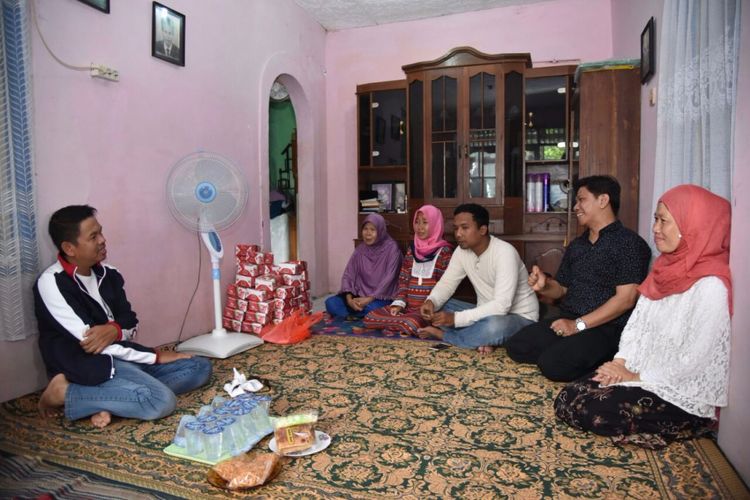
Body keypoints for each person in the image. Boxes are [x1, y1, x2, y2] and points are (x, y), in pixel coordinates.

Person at [554, 185, 731, 448]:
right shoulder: (663, 270)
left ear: (694, 226)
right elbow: (637, 328)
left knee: (595, 411)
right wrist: (620, 364)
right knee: (568, 398)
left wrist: (633, 377)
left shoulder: (711, 285)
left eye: (664, 221)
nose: (656, 229)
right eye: (655, 220)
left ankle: (686, 427)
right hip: (638, 371)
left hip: (677, 389)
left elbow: (695, 358)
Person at [34, 205, 212, 428]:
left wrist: (114, 330)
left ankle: (110, 399)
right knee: (160, 401)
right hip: (87, 364)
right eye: (93, 236)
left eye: (101, 232)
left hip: (121, 356)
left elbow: (131, 324)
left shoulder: (110, 274)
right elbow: (92, 345)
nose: (102, 240)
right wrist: (155, 356)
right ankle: (62, 392)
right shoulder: (52, 283)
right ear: (69, 248)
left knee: (199, 367)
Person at [505, 175, 651, 381]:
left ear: (603, 200)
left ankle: (604, 359)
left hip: (606, 327)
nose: (575, 207)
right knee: (517, 345)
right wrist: (545, 286)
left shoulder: (630, 244)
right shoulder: (577, 245)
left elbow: (625, 300)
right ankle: (572, 352)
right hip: (568, 319)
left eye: (581, 200)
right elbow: (562, 289)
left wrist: (578, 326)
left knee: (553, 365)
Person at [418, 203, 539, 354]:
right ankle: (484, 339)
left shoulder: (505, 253)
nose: (458, 234)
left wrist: (456, 319)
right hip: (484, 312)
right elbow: (447, 283)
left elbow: (502, 306)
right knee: (438, 309)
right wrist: (432, 301)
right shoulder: (462, 252)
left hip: (519, 318)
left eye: (464, 228)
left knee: (493, 326)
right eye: (456, 228)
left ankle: (447, 336)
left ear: (482, 230)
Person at [363, 205, 453, 336]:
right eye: (417, 222)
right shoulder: (413, 250)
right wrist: (399, 304)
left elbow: (445, 286)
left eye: (425, 222)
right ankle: (398, 324)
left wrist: (431, 307)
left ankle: (397, 325)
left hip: (427, 311)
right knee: (369, 317)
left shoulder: (444, 252)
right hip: (407, 308)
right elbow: (403, 281)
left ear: (435, 224)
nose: (420, 227)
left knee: (411, 323)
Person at [325, 213, 403, 319]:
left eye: (372, 230)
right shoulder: (360, 250)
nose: (368, 234)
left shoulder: (392, 249)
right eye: (365, 229)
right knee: (330, 303)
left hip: (381, 297)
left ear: (380, 231)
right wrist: (349, 300)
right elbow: (349, 275)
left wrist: (368, 299)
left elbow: (389, 279)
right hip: (358, 295)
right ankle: (356, 315)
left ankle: (352, 315)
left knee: (372, 308)